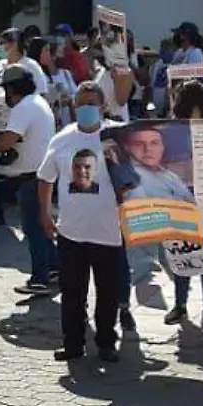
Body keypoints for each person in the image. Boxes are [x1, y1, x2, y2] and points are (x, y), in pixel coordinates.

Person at [39, 82, 127, 362]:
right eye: (82, 103)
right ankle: (73, 344)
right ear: (74, 106)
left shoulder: (118, 137)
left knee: (108, 293)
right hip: (71, 231)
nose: (87, 108)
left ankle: (105, 343)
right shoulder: (62, 139)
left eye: (93, 103)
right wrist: (44, 213)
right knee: (72, 293)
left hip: (109, 232)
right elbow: (45, 178)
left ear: (102, 106)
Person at [0, 68, 57, 292]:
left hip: (32, 177)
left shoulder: (24, 107)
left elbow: (8, 140)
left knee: (33, 228)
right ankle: (56, 267)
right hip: (41, 174)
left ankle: (39, 278)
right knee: (41, 225)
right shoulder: (37, 102)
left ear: (12, 89)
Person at [164, 84, 203, 328]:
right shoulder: (171, 130)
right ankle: (191, 307)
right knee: (181, 254)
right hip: (183, 200)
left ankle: (200, 307)